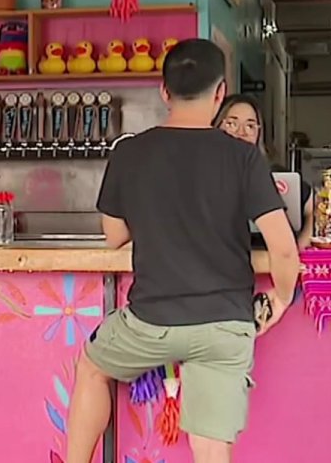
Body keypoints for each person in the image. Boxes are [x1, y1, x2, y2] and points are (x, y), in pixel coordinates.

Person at [65, 39, 301, 463]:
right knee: (210, 446)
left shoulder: (130, 152)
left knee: (92, 367)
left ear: (164, 92)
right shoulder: (243, 157)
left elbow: (113, 235)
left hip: (150, 322)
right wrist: (281, 298)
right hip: (225, 325)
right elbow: (283, 249)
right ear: (219, 93)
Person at [214, 94, 315, 247]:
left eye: (250, 126)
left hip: (273, 263)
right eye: (232, 124)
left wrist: (298, 250)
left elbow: (314, 208)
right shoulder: (204, 174)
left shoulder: (274, 176)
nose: (242, 132)